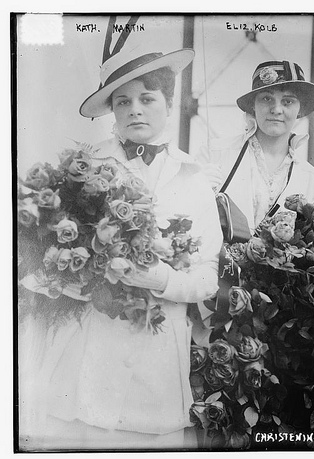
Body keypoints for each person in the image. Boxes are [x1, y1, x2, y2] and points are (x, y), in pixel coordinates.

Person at [20, 47, 222, 450]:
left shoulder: (195, 179)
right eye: (123, 101)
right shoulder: (84, 170)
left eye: (147, 99)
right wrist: (64, 282)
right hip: (85, 356)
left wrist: (162, 278)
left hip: (156, 360)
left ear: (169, 103)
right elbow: (29, 260)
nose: (135, 110)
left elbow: (207, 276)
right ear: (112, 110)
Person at [197, 60, 314, 234]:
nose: (276, 109)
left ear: (300, 110)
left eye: (287, 101)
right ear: (253, 105)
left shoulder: (312, 180)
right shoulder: (214, 154)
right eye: (267, 99)